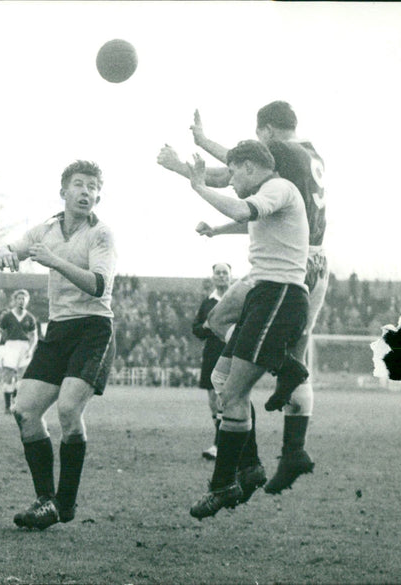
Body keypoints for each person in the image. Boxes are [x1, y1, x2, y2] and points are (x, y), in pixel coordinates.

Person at [158, 101, 326, 493]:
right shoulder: (311, 156)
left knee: (217, 323)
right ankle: (293, 449)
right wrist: (218, 229)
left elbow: (230, 171)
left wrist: (188, 158)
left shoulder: (283, 151)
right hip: (317, 260)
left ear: (267, 131)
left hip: (290, 268)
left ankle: (246, 453)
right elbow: (250, 195)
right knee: (294, 354)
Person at [183, 140, 310, 520]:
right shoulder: (270, 194)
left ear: (251, 167)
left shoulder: (278, 187)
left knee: (233, 395)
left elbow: (242, 208)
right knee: (223, 377)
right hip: (263, 291)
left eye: (234, 171)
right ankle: (251, 465)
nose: (231, 179)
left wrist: (199, 186)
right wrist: (218, 231)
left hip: (280, 294)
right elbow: (246, 219)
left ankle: (223, 485)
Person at [0, 160, 117, 530]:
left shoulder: (102, 234)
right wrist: (4, 252)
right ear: (63, 191)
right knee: (25, 411)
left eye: (92, 187)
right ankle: (46, 501)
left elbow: (98, 285)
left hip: (94, 329)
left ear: (98, 195)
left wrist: (53, 260)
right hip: (59, 330)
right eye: (78, 185)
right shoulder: (46, 229)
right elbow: (14, 246)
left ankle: (65, 502)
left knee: (67, 410)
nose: (85, 192)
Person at [192, 263, 231, 460]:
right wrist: (206, 326)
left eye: (225, 273)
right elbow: (196, 329)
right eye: (218, 273)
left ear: (230, 277)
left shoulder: (236, 300)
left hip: (232, 355)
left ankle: (220, 444)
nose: (222, 276)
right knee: (213, 402)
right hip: (211, 355)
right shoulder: (208, 303)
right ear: (213, 277)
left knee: (226, 399)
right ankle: (221, 442)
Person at [0, 290, 38, 414]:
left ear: (27, 301)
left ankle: (17, 405)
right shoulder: (8, 316)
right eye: (19, 298)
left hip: (24, 347)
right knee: (8, 377)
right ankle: (7, 406)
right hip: (10, 346)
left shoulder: (30, 317)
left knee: (22, 379)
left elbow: (34, 336)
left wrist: (31, 349)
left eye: (23, 299)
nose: (21, 301)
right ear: (15, 300)